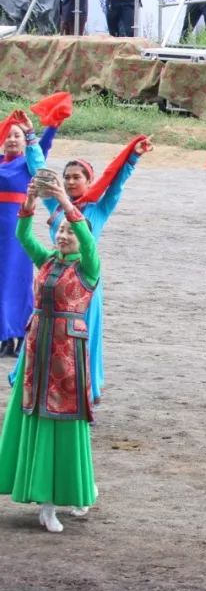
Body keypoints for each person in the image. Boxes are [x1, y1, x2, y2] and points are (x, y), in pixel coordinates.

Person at [0, 178, 99, 533]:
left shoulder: (88, 268)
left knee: (65, 420)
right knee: (33, 415)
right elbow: (24, 237)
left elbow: (87, 241)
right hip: (38, 347)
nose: (62, 237)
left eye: (68, 234)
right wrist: (29, 199)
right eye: (59, 232)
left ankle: (68, 494)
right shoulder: (48, 262)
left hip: (66, 355)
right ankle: (44, 499)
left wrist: (63, 201)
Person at [36, 139, 153, 404]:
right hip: (56, 282)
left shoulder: (98, 209)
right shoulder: (55, 208)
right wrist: (33, 139)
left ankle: (88, 390)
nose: (70, 181)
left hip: (85, 283)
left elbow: (116, 184)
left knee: (84, 338)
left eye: (77, 177)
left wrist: (132, 158)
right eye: (66, 177)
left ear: (89, 182)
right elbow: (38, 169)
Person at [0, 110, 56, 358]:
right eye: (8, 136)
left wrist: (53, 123)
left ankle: (22, 334)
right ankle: (4, 337)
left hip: (16, 227)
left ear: (24, 141)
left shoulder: (28, 163)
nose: (12, 139)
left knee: (18, 281)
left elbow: (43, 145)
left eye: (17, 136)